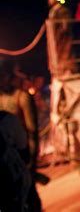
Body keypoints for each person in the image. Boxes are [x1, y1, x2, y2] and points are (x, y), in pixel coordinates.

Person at [0, 58, 41, 211]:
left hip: (22, 156)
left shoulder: (22, 97)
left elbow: (32, 130)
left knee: (29, 195)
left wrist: (31, 159)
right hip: (5, 160)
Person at [46, 0, 76, 77]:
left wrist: (60, 33)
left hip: (62, 39)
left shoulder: (63, 10)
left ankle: (67, 70)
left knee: (65, 54)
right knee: (56, 54)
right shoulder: (53, 11)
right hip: (54, 39)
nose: (49, 0)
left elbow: (65, 25)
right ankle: (57, 70)